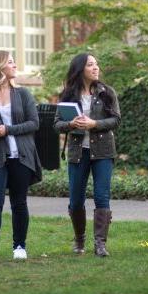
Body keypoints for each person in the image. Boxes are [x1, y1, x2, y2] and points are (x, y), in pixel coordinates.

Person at [0, 50, 42, 263]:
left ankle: (19, 246)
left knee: (19, 202)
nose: (15, 65)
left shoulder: (23, 94)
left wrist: (7, 130)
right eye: (10, 62)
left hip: (21, 155)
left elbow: (34, 123)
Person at [53, 53, 121, 257]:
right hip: (77, 152)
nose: (95, 68)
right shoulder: (67, 95)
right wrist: (71, 124)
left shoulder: (107, 92)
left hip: (103, 152)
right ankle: (79, 239)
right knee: (75, 200)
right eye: (90, 65)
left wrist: (94, 124)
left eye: (96, 64)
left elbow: (116, 120)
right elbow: (57, 124)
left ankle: (100, 244)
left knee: (102, 197)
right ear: (80, 69)